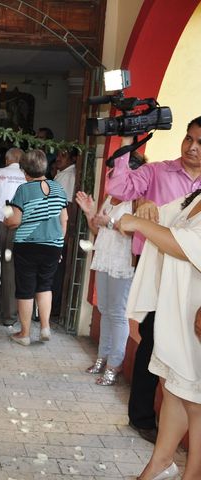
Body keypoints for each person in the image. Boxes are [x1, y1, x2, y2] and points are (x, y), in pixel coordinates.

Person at [107, 119, 201, 443]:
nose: (192, 147)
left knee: (184, 353)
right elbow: (118, 190)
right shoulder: (158, 171)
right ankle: (142, 416)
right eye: (189, 139)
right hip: (159, 273)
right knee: (152, 343)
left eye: (200, 143)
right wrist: (126, 146)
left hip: (194, 285)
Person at [118, 188, 201, 480]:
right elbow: (160, 219)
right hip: (180, 312)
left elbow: (191, 245)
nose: (192, 148)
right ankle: (161, 463)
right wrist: (147, 207)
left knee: (196, 400)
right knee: (174, 388)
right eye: (188, 139)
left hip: (197, 317)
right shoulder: (194, 197)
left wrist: (141, 224)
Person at [4, 149, 68, 346]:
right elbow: (64, 218)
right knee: (45, 285)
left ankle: (24, 334)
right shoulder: (58, 188)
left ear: (25, 171)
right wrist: (59, 244)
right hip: (53, 246)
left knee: (25, 289)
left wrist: (7, 217)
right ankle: (45, 327)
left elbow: (15, 220)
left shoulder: (24, 190)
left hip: (28, 246)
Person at [75, 191, 134, 386]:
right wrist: (89, 212)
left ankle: (114, 365)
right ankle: (102, 357)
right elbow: (97, 229)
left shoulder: (137, 200)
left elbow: (135, 231)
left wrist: (110, 222)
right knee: (105, 310)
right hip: (104, 258)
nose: (112, 181)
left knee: (118, 313)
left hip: (122, 262)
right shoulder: (109, 198)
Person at [0, 147, 26, 326]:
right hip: (19, 226)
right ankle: (9, 316)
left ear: (6, 160)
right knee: (10, 269)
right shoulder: (27, 176)